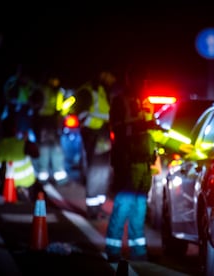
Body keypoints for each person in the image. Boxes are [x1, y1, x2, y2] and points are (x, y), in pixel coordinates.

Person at [104, 67, 193, 262]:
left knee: (139, 208)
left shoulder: (144, 102)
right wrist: (142, 125)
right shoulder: (121, 102)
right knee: (124, 205)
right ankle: (112, 250)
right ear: (130, 80)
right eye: (141, 80)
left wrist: (181, 146)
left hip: (144, 164)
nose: (144, 84)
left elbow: (155, 133)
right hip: (129, 163)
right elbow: (118, 129)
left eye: (145, 80)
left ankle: (138, 251)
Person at [73, 71, 116, 219]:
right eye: (111, 75)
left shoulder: (102, 90)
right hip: (94, 134)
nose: (113, 79)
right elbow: (82, 116)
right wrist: (98, 125)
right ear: (103, 74)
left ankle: (98, 206)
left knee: (103, 171)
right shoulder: (88, 91)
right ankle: (92, 209)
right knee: (96, 171)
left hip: (101, 133)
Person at [0, 116, 40, 201]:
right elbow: (36, 154)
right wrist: (27, 140)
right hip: (27, 183)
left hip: (8, 184)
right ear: (15, 129)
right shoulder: (23, 143)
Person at [31, 75, 68, 185]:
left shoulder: (59, 92)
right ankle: (43, 175)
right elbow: (35, 105)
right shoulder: (42, 90)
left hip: (53, 122)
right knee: (45, 148)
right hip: (44, 121)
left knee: (55, 149)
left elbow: (64, 107)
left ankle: (57, 175)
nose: (57, 81)